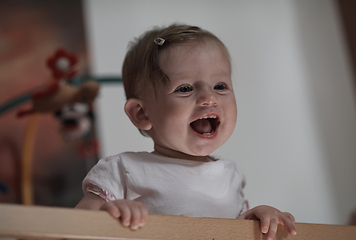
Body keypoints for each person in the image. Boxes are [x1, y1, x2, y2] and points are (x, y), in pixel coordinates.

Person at [75, 24, 297, 240]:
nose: (209, 98)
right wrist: (107, 215)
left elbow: (232, 232)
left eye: (220, 86)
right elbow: (74, 224)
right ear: (142, 113)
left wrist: (258, 221)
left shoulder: (230, 175)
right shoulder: (123, 169)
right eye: (185, 88)